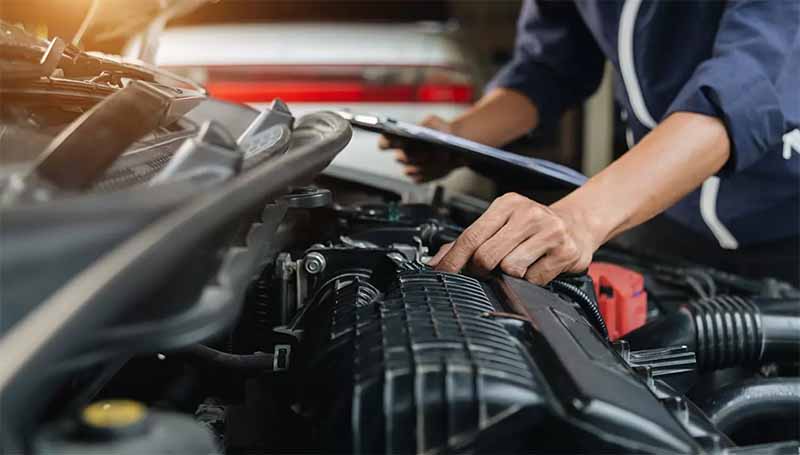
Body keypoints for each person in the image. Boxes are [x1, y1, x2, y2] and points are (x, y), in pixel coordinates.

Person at [380, 0, 800, 285]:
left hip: (786, 223)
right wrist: (459, 137)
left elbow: (746, 88)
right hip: (669, 221)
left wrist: (579, 219)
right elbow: (550, 66)